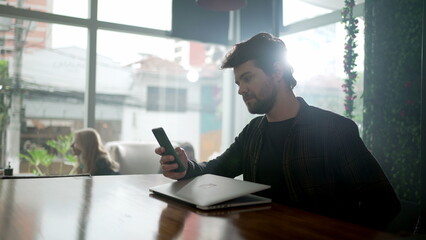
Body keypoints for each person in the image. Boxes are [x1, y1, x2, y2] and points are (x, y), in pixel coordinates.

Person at [155, 32, 400, 230]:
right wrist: (185, 167)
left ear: (277, 71)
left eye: (248, 78)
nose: (241, 90)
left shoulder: (334, 129)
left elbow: (383, 205)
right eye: (239, 83)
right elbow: (213, 171)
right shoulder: (253, 132)